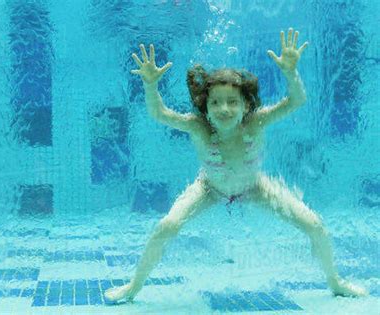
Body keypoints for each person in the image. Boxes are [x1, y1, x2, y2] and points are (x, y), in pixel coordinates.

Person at [104, 28, 368, 302]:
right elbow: (159, 113)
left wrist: (291, 72)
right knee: (166, 226)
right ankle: (133, 287)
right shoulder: (198, 128)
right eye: (215, 103)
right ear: (205, 108)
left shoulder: (257, 121)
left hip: (256, 187)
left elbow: (297, 100)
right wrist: (150, 85)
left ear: (246, 105)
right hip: (209, 188)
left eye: (233, 102)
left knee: (314, 225)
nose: (224, 109)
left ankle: (335, 281)